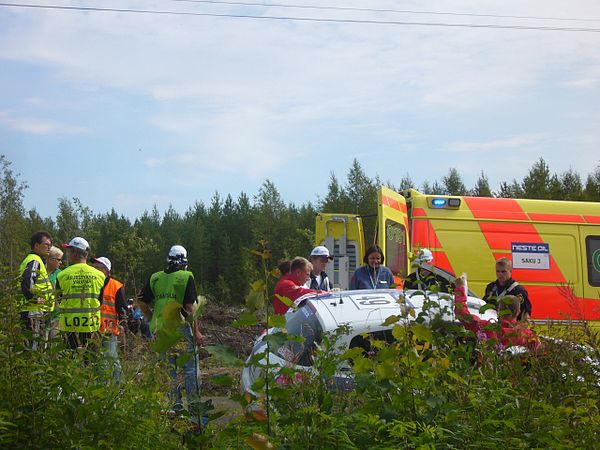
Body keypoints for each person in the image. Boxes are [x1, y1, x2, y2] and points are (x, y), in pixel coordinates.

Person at [137, 245, 204, 422]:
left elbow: (141, 301)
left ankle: (175, 410)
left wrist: (152, 319)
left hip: (161, 331)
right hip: (181, 329)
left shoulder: (156, 278)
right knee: (190, 371)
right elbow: (190, 308)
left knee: (169, 372)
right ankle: (195, 412)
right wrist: (196, 331)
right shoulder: (185, 277)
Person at [454, 274, 540, 352]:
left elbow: (462, 314)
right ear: (518, 312)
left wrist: (460, 289)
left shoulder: (486, 327)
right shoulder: (527, 335)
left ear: (499, 311)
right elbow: (541, 352)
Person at [56, 237, 106, 351]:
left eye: (69, 251)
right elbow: (100, 301)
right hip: (91, 326)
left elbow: (58, 299)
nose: (68, 254)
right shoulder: (99, 275)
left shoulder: (62, 275)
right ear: (86, 255)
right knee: (90, 363)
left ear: (73, 252)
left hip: (69, 327)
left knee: (70, 363)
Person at [92, 256, 128, 382]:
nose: (95, 269)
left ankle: (118, 385)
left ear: (106, 270)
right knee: (98, 360)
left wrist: (123, 325)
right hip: (93, 329)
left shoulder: (116, 286)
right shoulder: (93, 282)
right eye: (94, 267)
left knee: (111, 358)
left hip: (109, 330)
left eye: (98, 267)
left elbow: (123, 308)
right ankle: (104, 385)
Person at [17, 231, 54, 348]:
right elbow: (27, 280)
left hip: (36, 311)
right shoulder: (34, 260)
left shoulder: (36, 260)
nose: (49, 247)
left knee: (34, 345)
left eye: (50, 245)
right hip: (34, 312)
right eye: (46, 244)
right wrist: (34, 299)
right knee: (34, 347)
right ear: (36, 245)